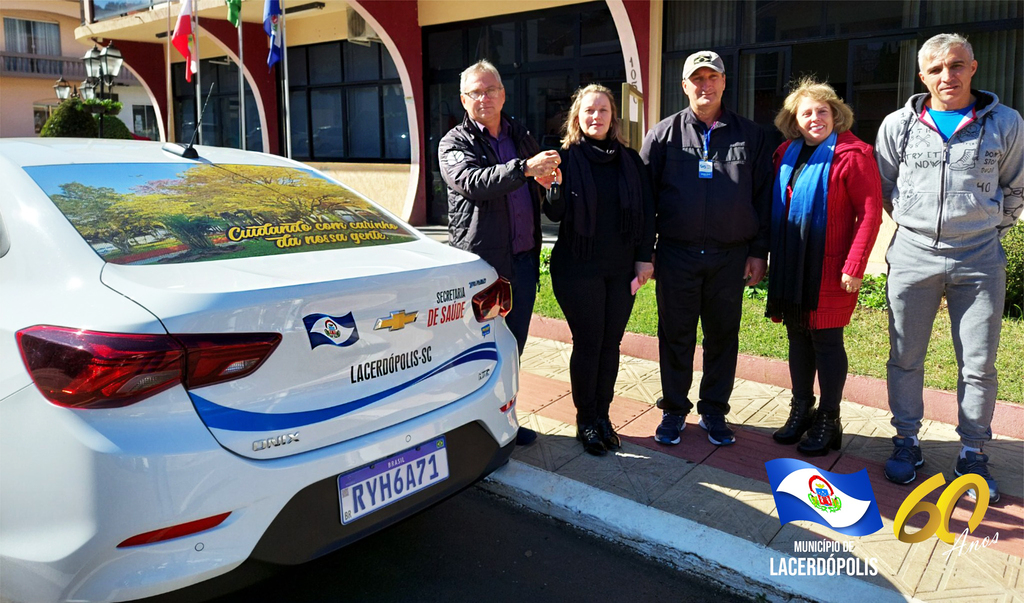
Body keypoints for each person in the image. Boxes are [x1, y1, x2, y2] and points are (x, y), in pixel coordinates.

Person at [875, 33, 1023, 501]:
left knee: (978, 363)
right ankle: (906, 440)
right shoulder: (898, 124)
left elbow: (1015, 188)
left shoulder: (1005, 123)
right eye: (936, 69)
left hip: (979, 258)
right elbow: (884, 186)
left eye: (956, 66)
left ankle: (974, 452)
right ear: (923, 76)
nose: (947, 77)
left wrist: (983, 231)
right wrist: (918, 227)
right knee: (905, 356)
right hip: (912, 255)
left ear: (973, 68)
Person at [640, 50, 773, 447]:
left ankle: (714, 411)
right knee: (675, 335)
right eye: (696, 79)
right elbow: (645, 201)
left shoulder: (751, 135)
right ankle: (674, 410)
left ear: (724, 82)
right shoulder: (663, 135)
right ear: (684, 86)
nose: (705, 85)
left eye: (712, 77)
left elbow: (763, 197)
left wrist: (758, 252)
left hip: (729, 257)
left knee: (722, 337)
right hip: (677, 255)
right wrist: (644, 254)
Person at [438, 59, 561, 446]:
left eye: (491, 89)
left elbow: (533, 180)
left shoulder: (519, 133)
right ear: (463, 99)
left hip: (522, 262)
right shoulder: (453, 143)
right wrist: (525, 168)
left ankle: (505, 419)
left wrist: (545, 179)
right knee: (477, 350)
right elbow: (473, 182)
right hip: (483, 269)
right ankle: (469, 426)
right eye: (475, 91)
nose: (484, 97)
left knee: (514, 346)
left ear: (503, 94)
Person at [766, 78, 883, 456]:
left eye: (822, 111)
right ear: (794, 120)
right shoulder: (785, 152)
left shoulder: (854, 153)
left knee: (827, 342)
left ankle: (829, 420)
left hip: (830, 267)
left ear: (835, 114)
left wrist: (855, 264)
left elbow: (870, 214)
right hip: (790, 262)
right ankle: (802, 409)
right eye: (806, 112)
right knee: (797, 335)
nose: (815, 118)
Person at [543, 85, 655, 456]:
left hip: (621, 270)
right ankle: (585, 419)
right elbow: (554, 214)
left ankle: (603, 416)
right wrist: (554, 191)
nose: (596, 116)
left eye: (603, 110)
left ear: (613, 117)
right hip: (578, 268)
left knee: (611, 345)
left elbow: (646, 216)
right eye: (589, 110)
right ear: (577, 117)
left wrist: (644, 258)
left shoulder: (630, 161)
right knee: (590, 344)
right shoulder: (563, 159)